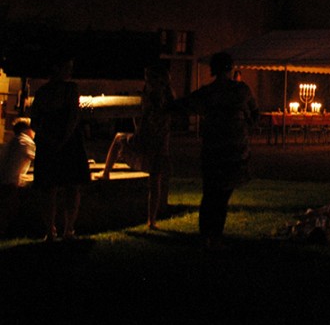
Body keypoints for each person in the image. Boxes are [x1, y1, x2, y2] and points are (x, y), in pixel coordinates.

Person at [171, 51, 258, 250]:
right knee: (222, 197)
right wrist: (246, 128)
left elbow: (184, 105)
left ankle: (206, 236)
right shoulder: (241, 90)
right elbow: (254, 112)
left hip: (214, 151)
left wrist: (168, 102)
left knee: (210, 194)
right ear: (230, 68)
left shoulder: (208, 92)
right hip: (234, 151)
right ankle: (215, 236)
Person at [100, 62, 175, 229]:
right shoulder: (168, 96)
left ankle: (105, 173)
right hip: (161, 142)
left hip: (146, 139)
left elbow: (144, 120)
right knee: (155, 182)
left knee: (118, 138)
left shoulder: (150, 97)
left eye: (148, 77)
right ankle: (151, 220)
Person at [30, 54, 91, 241]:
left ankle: (63, 229)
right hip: (63, 142)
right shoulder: (57, 91)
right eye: (67, 67)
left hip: (58, 142)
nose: (70, 71)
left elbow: (37, 121)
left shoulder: (50, 91)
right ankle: (57, 230)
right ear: (56, 68)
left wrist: (52, 139)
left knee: (61, 187)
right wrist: (59, 139)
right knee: (55, 188)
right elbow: (72, 116)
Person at [0, 118, 36, 237]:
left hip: (3, 179)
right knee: (8, 208)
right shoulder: (26, 142)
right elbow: (38, 158)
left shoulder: (13, 141)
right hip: (10, 182)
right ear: (27, 129)